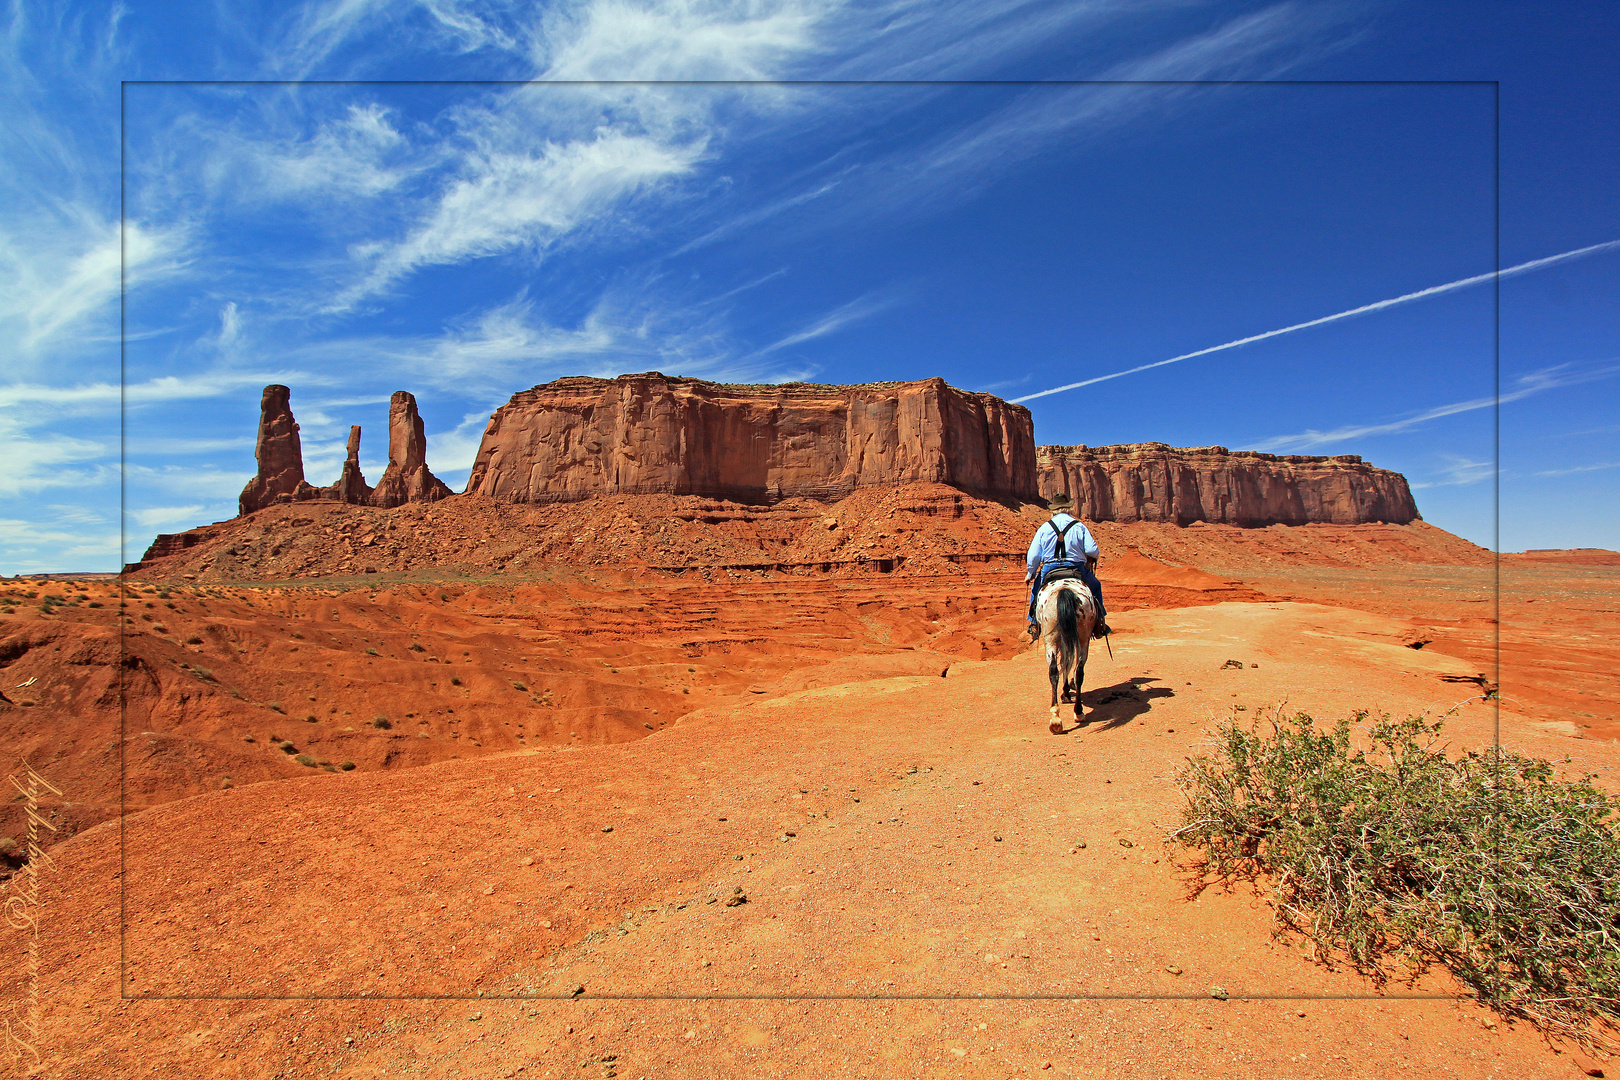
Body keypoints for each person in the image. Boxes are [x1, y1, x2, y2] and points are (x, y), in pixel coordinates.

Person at [1024, 493, 1110, 642]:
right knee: (1096, 586)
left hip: (1049, 569)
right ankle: (1100, 623)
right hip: (1075, 568)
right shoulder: (1079, 526)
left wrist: (1030, 573)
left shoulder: (1044, 528)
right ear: (1068, 508)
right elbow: (1091, 550)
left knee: (1035, 591)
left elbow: (1033, 555)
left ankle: (1034, 623)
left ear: (1053, 510)